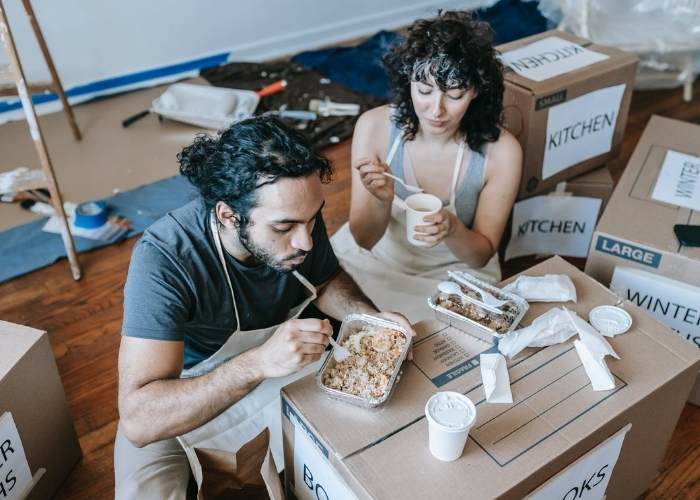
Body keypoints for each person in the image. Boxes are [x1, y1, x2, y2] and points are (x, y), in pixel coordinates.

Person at [113, 116, 412, 499]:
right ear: (228, 214)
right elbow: (139, 419)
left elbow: (324, 280)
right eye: (284, 228)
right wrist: (257, 363)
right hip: (190, 389)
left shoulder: (299, 215)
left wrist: (368, 318)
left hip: (285, 371)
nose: (305, 241)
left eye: (313, 220)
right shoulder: (165, 259)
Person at [331, 11, 522, 322]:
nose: (436, 110)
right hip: (376, 263)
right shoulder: (375, 128)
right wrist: (380, 200)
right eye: (424, 90)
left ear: (475, 90)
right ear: (408, 82)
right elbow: (364, 240)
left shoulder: (502, 152)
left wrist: (452, 228)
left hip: (453, 276)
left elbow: (481, 255)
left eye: (456, 94)